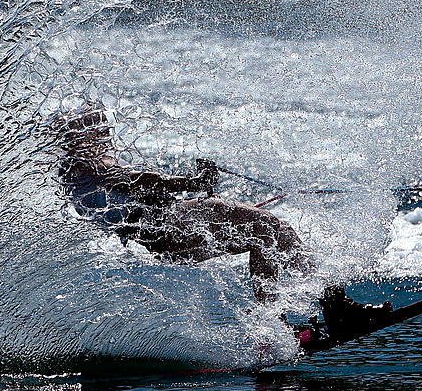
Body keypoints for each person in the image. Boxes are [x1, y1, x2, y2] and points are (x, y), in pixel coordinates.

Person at [52, 106, 309, 302]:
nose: (106, 136)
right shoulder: (94, 165)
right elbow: (142, 180)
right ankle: (330, 302)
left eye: (104, 130)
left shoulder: (69, 173)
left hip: (167, 241)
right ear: (81, 138)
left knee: (263, 238)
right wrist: (195, 182)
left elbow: (131, 193)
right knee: (271, 226)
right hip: (176, 227)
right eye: (98, 131)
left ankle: (273, 328)